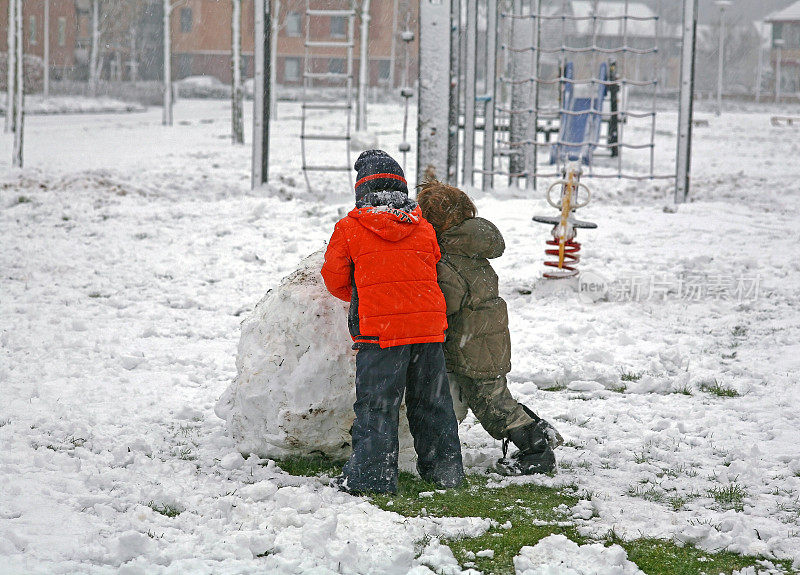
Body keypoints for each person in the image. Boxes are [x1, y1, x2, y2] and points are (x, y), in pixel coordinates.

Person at [321, 150, 464, 494]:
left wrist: (370, 298)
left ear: (361, 191)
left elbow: (334, 278)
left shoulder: (350, 227)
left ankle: (373, 478)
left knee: (377, 406)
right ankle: (445, 473)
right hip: (428, 331)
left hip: (381, 335)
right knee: (432, 403)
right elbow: (431, 264)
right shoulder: (423, 226)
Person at [416, 178, 562, 475]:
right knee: (494, 398)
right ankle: (537, 429)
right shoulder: (470, 250)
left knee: (492, 407)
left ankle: (537, 450)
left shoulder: (449, 259)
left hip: (470, 346)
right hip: (484, 338)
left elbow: (445, 304)